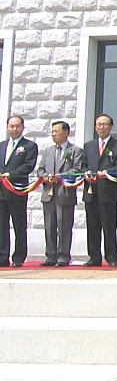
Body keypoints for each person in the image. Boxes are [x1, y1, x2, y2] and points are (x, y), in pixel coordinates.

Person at [83, 114, 117, 267]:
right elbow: (83, 165)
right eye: (98, 124)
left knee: (109, 226)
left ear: (111, 126)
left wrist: (108, 172)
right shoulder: (89, 146)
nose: (101, 127)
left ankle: (112, 257)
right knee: (92, 226)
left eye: (104, 124)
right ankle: (94, 257)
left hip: (108, 191)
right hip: (91, 191)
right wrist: (86, 173)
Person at [40, 121, 82, 267]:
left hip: (65, 193)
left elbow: (77, 170)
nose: (53, 134)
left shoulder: (75, 150)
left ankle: (63, 256)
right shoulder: (48, 151)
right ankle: (50, 255)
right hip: (49, 193)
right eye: (52, 131)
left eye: (56, 131)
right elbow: (40, 170)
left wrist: (60, 176)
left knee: (63, 225)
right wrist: (45, 176)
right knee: (49, 226)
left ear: (66, 133)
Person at [0, 115, 37, 268]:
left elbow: (28, 166)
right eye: (11, 126)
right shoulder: (2, 145)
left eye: (17, 126)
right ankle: (3, 256)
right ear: (7, 127)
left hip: (17, 191)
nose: (14, 129)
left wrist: (11, 174)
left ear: (22, 127)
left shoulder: (29, 146)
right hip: (1, 192)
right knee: (2, 226)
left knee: (19, 225)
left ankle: (19, 257)